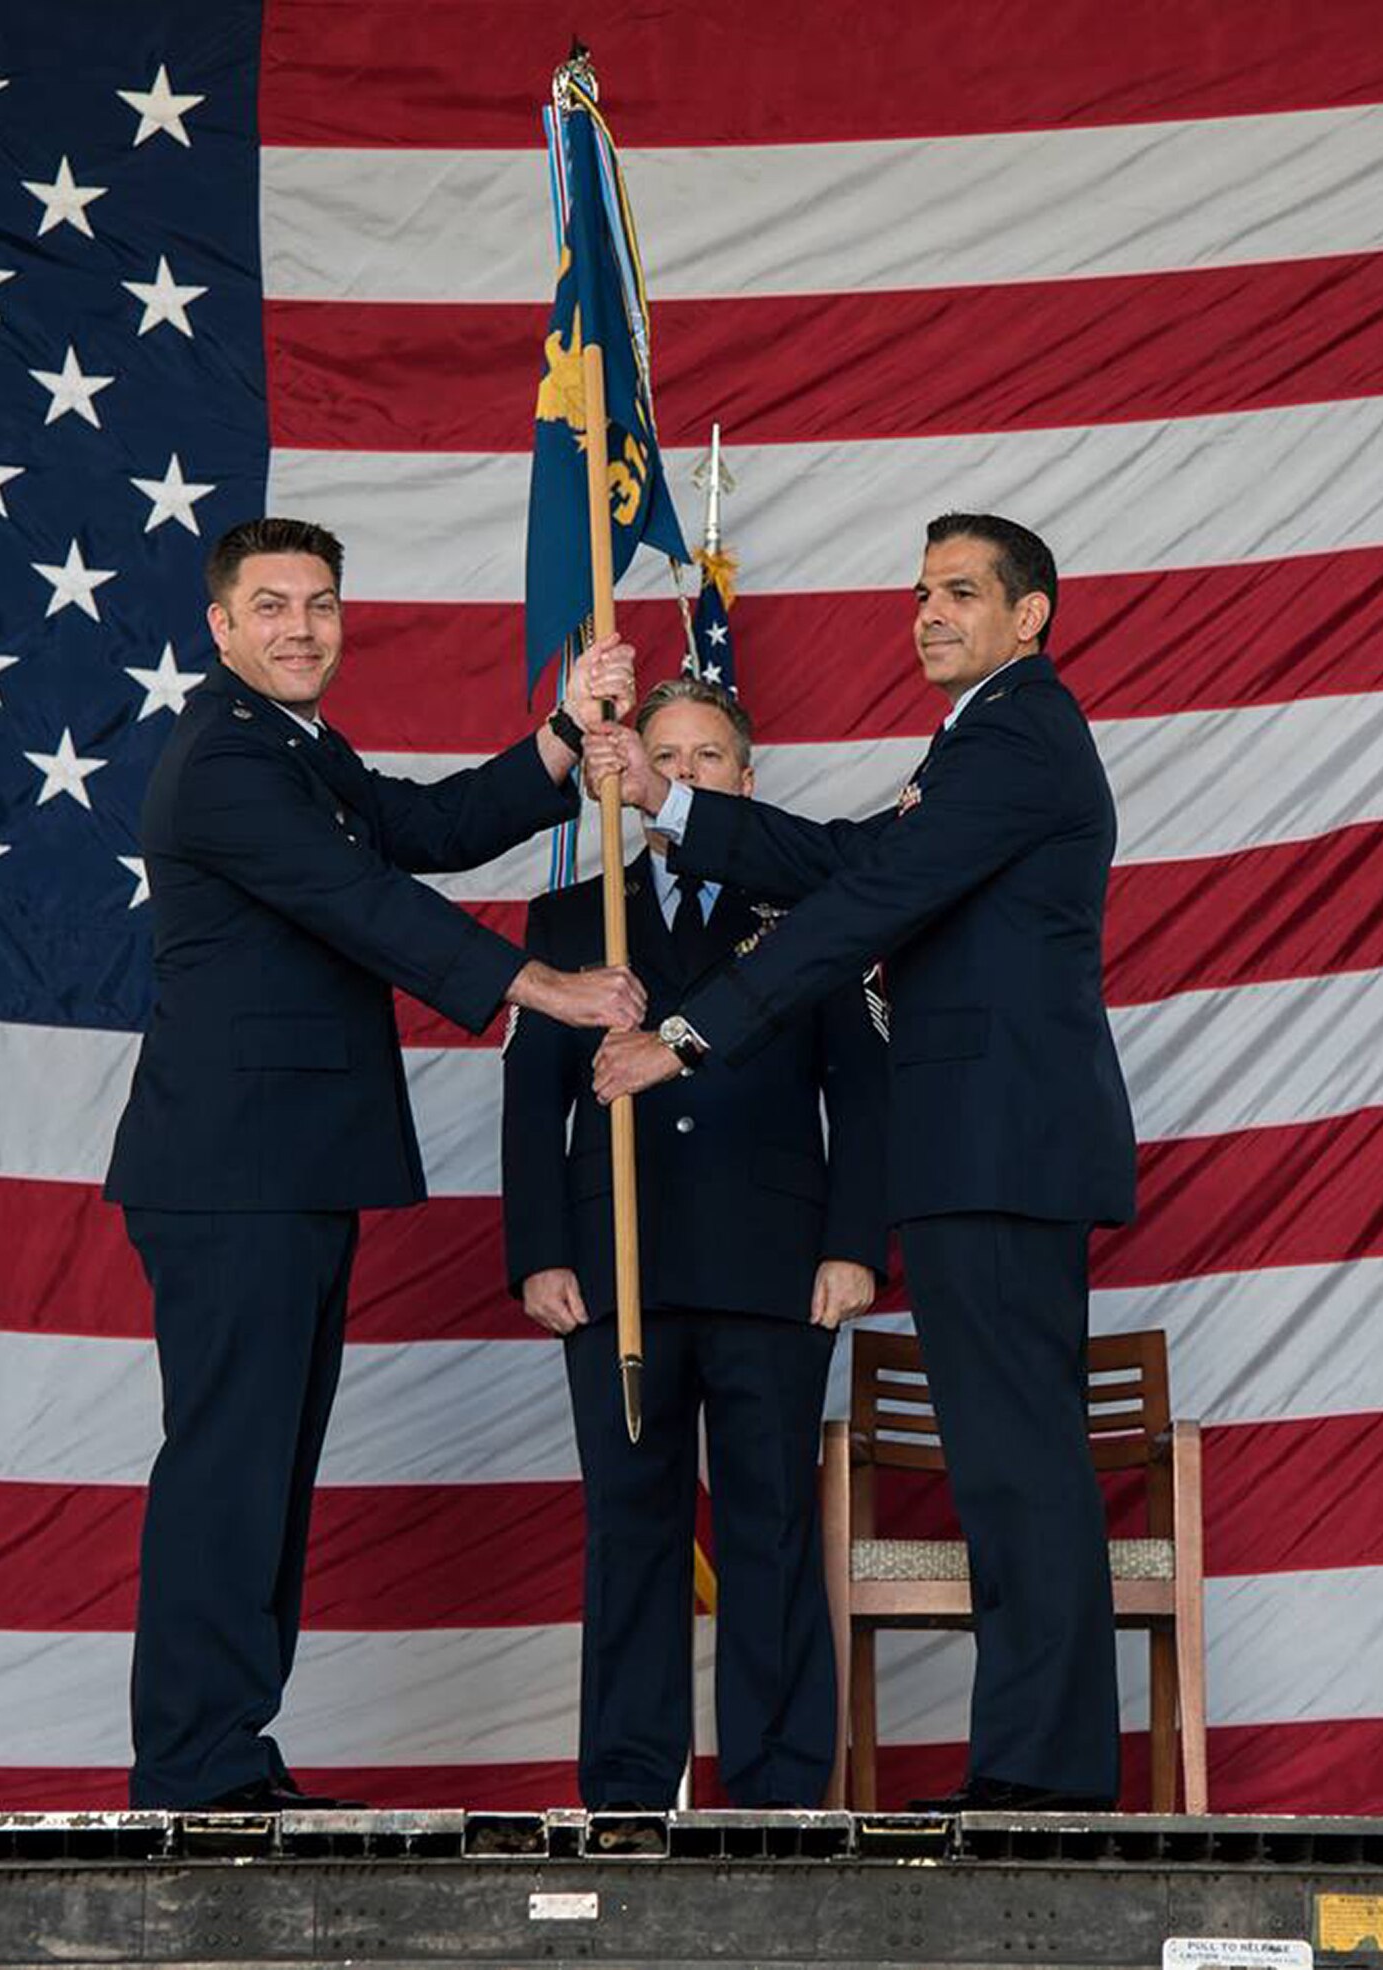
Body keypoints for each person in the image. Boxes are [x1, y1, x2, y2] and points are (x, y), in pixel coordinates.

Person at [584, 514, 1136, 1811]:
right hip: (976, 1146)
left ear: (1032, 614)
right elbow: (851, 857)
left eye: (961, 590)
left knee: (1020, 1466)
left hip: (999, 1145)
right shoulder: (978, 741)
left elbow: (872, 905)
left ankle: (1044, 1787)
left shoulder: (1018, 732)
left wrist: (692, 1028)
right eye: (922, 590)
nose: (930, 611)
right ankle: (1034, 1773)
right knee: (1008, 1466)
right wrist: (672, 800)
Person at [104, 516, 646, 1810]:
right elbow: (369, 905)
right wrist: (545, 988)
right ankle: (192, 1764)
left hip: (287, 1168)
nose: (302, 625)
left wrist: (563, 735)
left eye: (322, 602)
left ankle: (224, 1750)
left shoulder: (294, 749)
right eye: (273, 604)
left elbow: (421, 825)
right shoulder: (225, 763)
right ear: (219, 624)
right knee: (230, 1470)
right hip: (232, 1172)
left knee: (265, 1474)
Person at [502, 677, 888, 1810]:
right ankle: (627, 1782)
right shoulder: (571, 921)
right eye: (654, 753)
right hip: (615, 1262)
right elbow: (532, 1107)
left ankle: (774, 1786)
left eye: (703, 757)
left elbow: (862, 1098)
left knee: (769, 1526)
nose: (676, 773)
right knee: (632, 1526)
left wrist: (853, 1241)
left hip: (774, 1265)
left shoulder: (807, 913)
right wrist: (538, 1250)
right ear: (616, 779)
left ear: (743, 779)